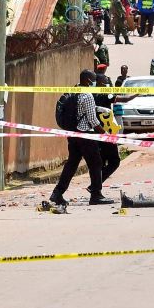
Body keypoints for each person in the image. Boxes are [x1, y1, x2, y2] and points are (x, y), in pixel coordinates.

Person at [50, 70, 113, 206]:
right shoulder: (88, 95)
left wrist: (99, 109)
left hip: (73, 134)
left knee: (71, 164)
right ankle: (96, 195)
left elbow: (82, 109)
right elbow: (93, 121)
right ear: (88, 81)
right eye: (94, 80)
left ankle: (57, 193)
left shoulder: (75, 90)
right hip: (86, 135)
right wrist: (106, 135)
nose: (95, 83)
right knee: (96, 163)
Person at [94, 73, 121, 185]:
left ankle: (96, 187)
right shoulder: (104, 94)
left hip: (95, 131)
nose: (107, 84)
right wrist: (137, 94)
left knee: (101, 161)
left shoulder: (91, 93)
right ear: (100, 82)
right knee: (114, 161)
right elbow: (123, 99)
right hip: (106, 131)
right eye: (106, 81)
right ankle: (95, 185)